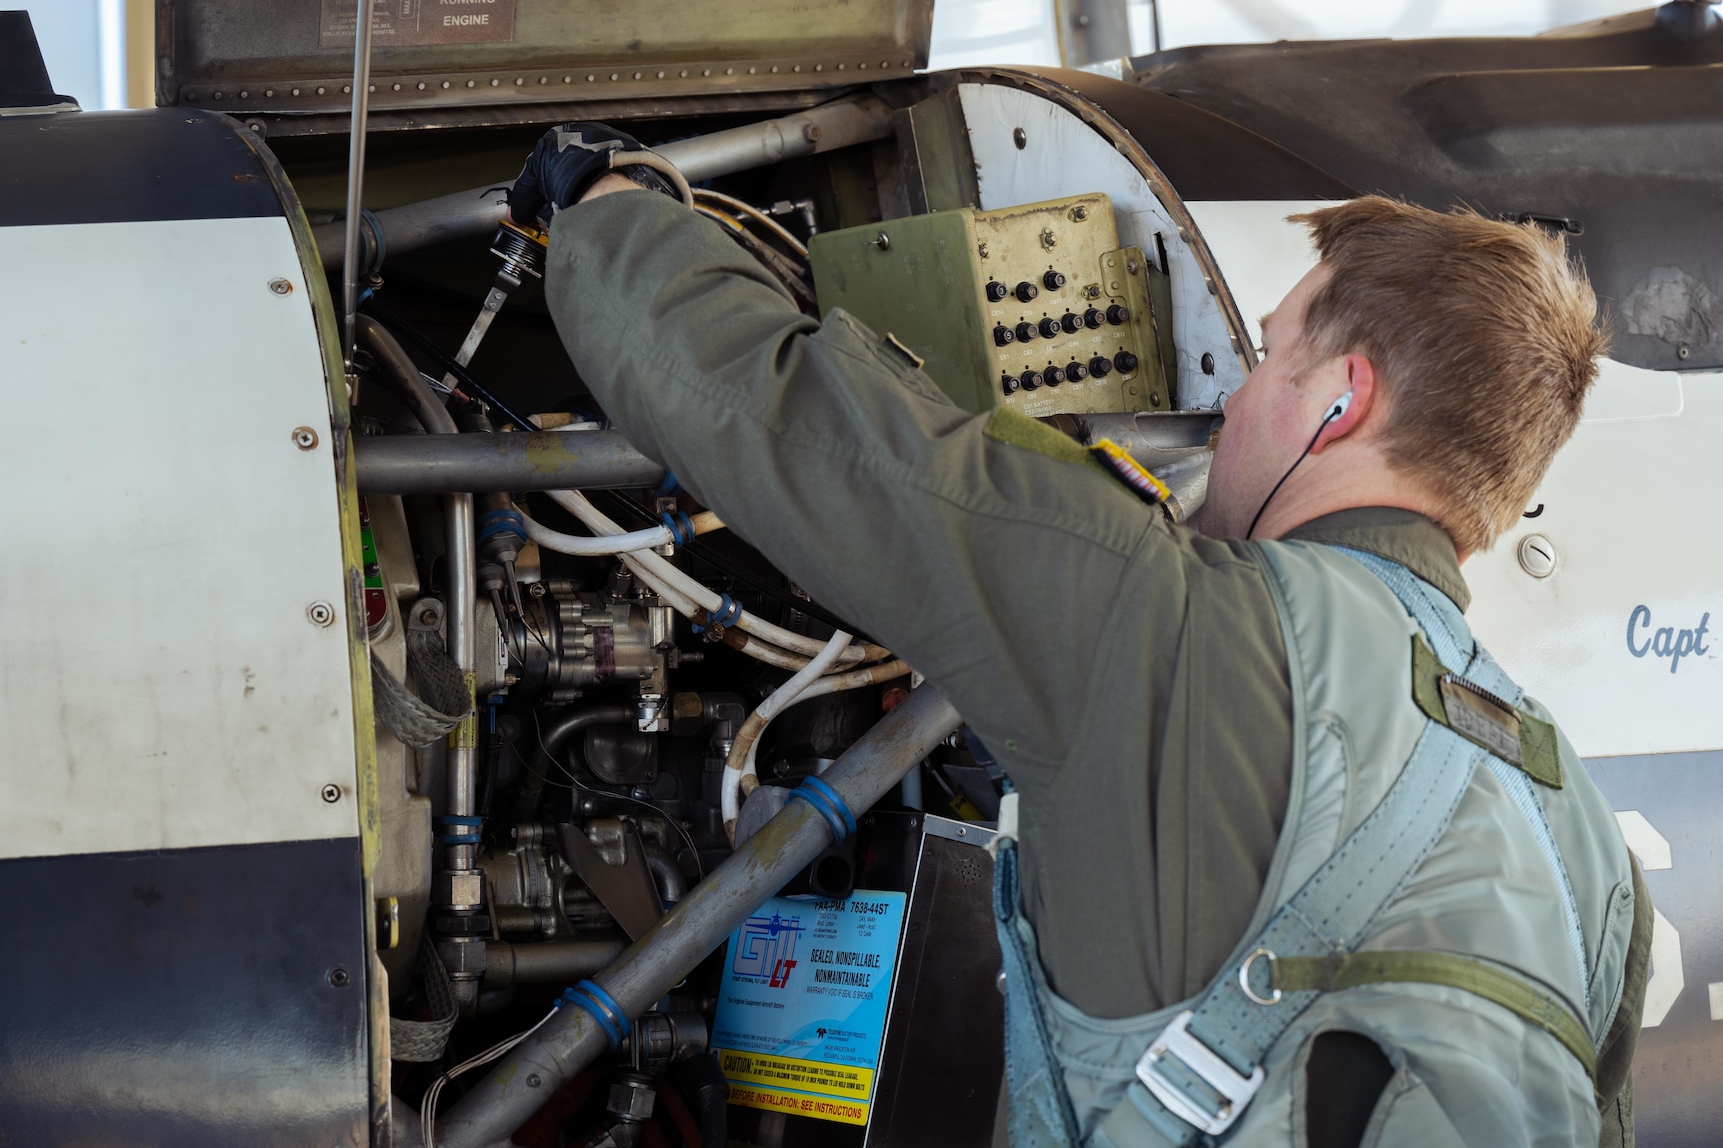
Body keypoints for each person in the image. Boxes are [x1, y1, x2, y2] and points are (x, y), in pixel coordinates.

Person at [507, 124, 1651, 1147]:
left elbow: (789, 417)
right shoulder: (1588, 851)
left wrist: (610, 206)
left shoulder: (1174, 621)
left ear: (1337, 405)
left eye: (1267, 358)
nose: (1232, 405)